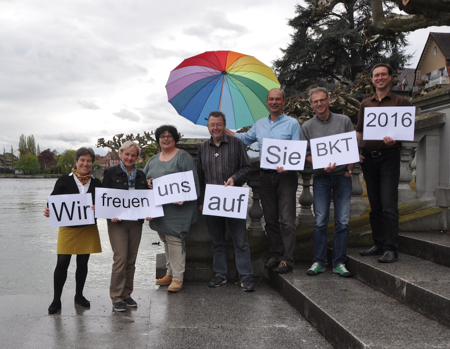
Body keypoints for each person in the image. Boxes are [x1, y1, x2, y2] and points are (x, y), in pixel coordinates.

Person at [225, 88, 301, 274]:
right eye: (271, 99)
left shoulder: (293, 124)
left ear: (284, 102)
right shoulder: (259, 124)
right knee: (270, 220)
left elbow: (297, 151)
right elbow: (245, 139)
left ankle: (287, 260)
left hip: (286, 177)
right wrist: (224, 129)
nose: (274, 102)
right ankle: (276, 253)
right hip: (266, 176)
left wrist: (289, 166)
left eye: (278, 99)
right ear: (267, 102)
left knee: (287, 221)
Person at [356, 63, 412, 263]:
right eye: (376, 75)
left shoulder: (401, 102)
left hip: (389, 157)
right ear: (372, 79)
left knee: (389, 205)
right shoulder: (365, 104)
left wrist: (396, 140)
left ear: (390, 78)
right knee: (375, 205)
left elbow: (406, 130)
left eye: (383, 75)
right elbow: (360, 131)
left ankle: (391, 248)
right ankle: (379, 244)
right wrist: (356, 151)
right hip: (369, 159)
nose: (379, 78)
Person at [197, 111, 255, 292]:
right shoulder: (202, 148)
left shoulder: (237, 144)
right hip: (212, 201)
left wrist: (234, 178)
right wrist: (200, 200)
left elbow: (247, 168)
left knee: (240, 241)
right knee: (216, 241)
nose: (215, 128)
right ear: (208, 127)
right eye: (212, 125)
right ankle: (220, 275)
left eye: (219, 124)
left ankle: (246, 277)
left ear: (224, 125)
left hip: (233, 199)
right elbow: (199, 176)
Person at [302, 87, 355, 277]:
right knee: (320, 221)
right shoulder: (307, 126)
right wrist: (321, 164)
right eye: (315, 101)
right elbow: (306, 154)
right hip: (321, 178)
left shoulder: (344, 121)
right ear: (311, 104)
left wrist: (349, 171)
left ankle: (340, 262)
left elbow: (352, 147)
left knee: (343, 221)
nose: (319, 104)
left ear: (329, 100)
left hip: (342, 178)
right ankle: (319, 261)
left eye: (322, 100)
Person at [44, 147, 102, 315]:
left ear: (92, 163)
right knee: (62, 263)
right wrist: (48, 210)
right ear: (76, 162)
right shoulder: (64, 180)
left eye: (89, 160)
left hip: (88, 228)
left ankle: (79, 295)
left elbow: (104, 204)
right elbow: (53, 202)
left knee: (83, 263)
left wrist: (99, 208)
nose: (85, 163)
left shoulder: (97, 183)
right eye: (82, 160)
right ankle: (56, 300)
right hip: (68, 229)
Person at [143, 125, 200, 293]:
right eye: (162, 136)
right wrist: (148, 183)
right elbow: (144, 180)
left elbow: (194, 181)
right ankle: (169, 272)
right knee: (165, 240)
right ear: (158, 139)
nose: (166, 139)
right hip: (159, 209)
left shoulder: (183, 157)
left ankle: (178, 278)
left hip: (179, 210)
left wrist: (185, 196)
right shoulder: (153, 159)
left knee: (175, 240)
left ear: (175, 138)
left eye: (169, 136)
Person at [102, 141, 148, 312]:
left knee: (131, 260)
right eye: (127, 154)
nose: (130, 157)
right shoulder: (110, 172)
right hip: (117, 223)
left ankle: (127, 294)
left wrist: (149, 211)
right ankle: (116, 296)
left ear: (137, 157)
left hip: (136, 222)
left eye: (133, 155)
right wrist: (109, 214)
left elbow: (146, 198)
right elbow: (103, 198)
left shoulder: (141, 175)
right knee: (120, 258)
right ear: (121, 153)